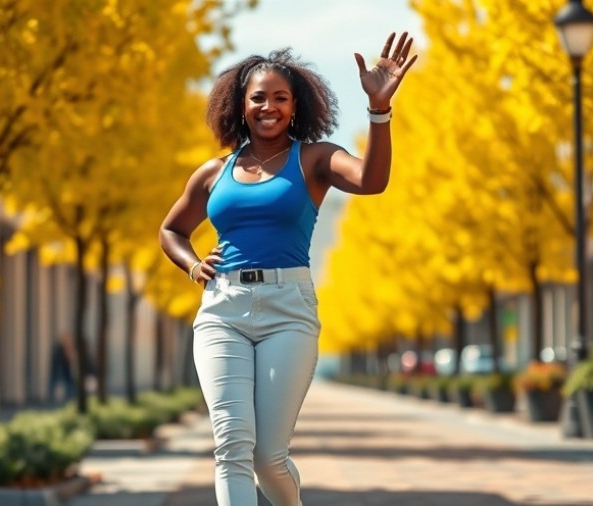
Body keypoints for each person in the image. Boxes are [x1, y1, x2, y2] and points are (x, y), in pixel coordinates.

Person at [158, 32, 417, 506]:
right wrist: (194, 266)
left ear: (296, 106)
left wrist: (379, 110)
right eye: (258, 98)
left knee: (267, 458)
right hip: (222, 312)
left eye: (280, 98)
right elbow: (171, 230)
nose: (269, 107)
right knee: (232, 445)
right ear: (241, 106)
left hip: (288, 311)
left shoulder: (315, 158)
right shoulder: (213, 173)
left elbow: (372, 180)